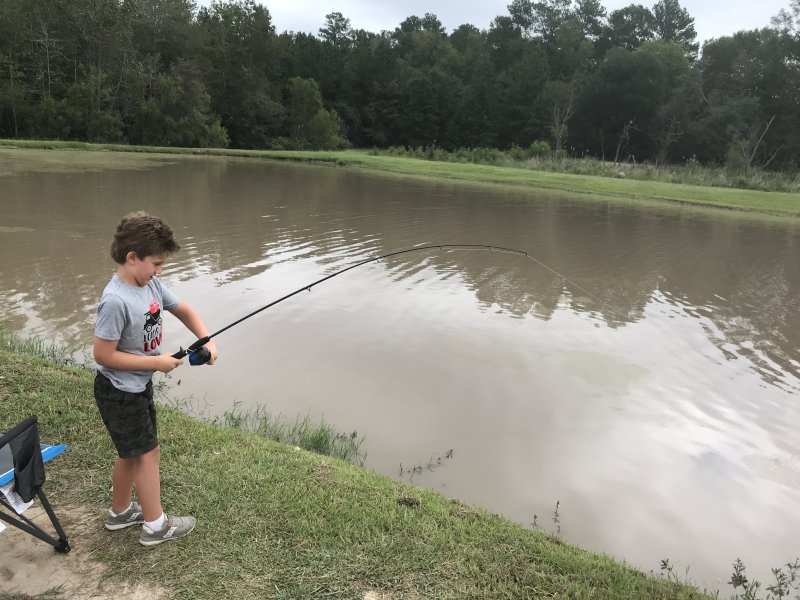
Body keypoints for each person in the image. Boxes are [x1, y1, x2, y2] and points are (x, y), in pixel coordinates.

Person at [93, 211, 218, 546]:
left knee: (131, 453)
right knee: (147, 454)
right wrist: (156, 362)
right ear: (132, 258)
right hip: (119, 390)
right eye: (157, 264)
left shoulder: (151, 285)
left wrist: (207, 340)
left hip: (136, 385)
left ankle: (120, 513)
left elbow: (185, 310)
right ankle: (156, 526)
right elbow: (103, 355)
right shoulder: (116, 300)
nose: (160, 271)